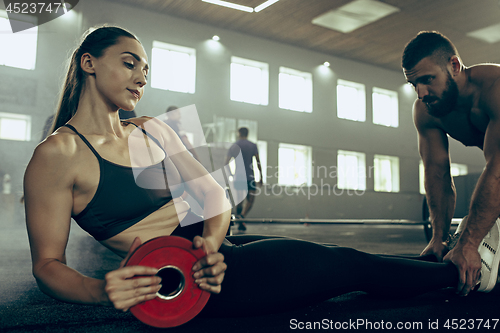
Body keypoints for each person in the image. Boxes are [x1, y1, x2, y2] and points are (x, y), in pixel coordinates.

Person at [23, 26, 499, 321]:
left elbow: (213, 196)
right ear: (88, 62)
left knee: (341, 256)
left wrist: (210, 244)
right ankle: (465, 275)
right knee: (346, 268)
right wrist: (96, 290)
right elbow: (47, 265)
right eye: (129, 64)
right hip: (189, 282)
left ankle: (451, 261)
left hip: (214, 251)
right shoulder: (57, 156)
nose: (141, 78)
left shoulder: (150, 130)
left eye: (145, 70)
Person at [402, 31, 500, 297]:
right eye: (414, 84)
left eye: (427, 80)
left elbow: (498, 170)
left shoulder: (495, 88)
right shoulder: (426, 111)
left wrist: (469, 243)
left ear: (454, 66)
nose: (421, 93)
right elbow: (437, 174)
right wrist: (440, 238)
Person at [224, 127, 263, 231]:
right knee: (250, 200)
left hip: (238, 177)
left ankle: (241, 218)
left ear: (239, 133)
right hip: (250, 176)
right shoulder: (252, 145)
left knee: (240, 201)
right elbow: (258, 161)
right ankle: (242, 216)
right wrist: (261, 176)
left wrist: (231, 174)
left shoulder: (234, 146)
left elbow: (226, 163)